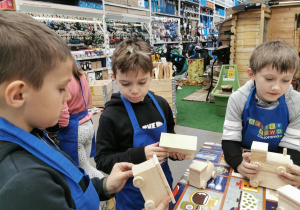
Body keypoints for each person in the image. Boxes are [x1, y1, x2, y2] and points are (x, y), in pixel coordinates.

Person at [0, 11, 170, 210]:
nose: (69, 97)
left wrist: (104, 186)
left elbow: (69, 187)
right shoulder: (25, 183)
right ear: (18, 95)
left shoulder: (34, 134)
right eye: (62, 88)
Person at [94, 38, 185, 210]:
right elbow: (102, 160)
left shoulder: (161, 104)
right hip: (132, 197)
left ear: (151, 75)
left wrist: (174, 151)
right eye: (125, 84)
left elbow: (169, 136)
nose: (134, 90)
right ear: (114, 78)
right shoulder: (111, 115)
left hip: (164, 188)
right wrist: (139, 154)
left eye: (142, 82)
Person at [222, 40, 300, 187]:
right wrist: (238, 164)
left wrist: (292, 171)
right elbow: (230, 139)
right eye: (269, 79)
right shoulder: (238, 99)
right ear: (252, 74)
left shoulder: (296, 104)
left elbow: (293, 148)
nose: (277, 87)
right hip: (246, 158)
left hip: (278, 163)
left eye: (286, 80)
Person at [57, 62, 104, 179]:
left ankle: (106, 188)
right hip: (88, 124)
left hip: (74, 130)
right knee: (85, 165)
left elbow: (63, 118)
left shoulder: (64, 80)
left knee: (81, 170)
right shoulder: (81, 75)